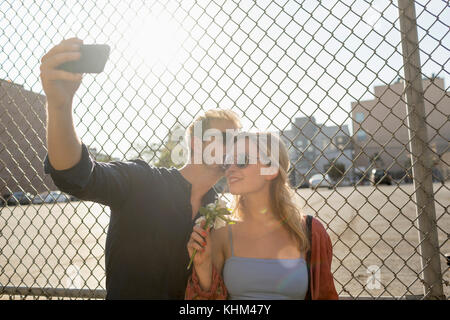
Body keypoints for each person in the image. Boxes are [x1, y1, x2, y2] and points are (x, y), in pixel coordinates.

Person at [39, 37, 242, 299]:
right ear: (195, 142)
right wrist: (59, 106)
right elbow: (77, 175)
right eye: (226, 138)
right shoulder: (142, 181)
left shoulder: (223, 213)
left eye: (238, 140)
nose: (235, 147)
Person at [185, 132, 338, 299]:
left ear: (271, 169)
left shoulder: (309, 232)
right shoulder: (222, 232)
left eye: (242, 161)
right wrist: (203, 267)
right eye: (227, 163)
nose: (230, 169)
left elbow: (325, 294)